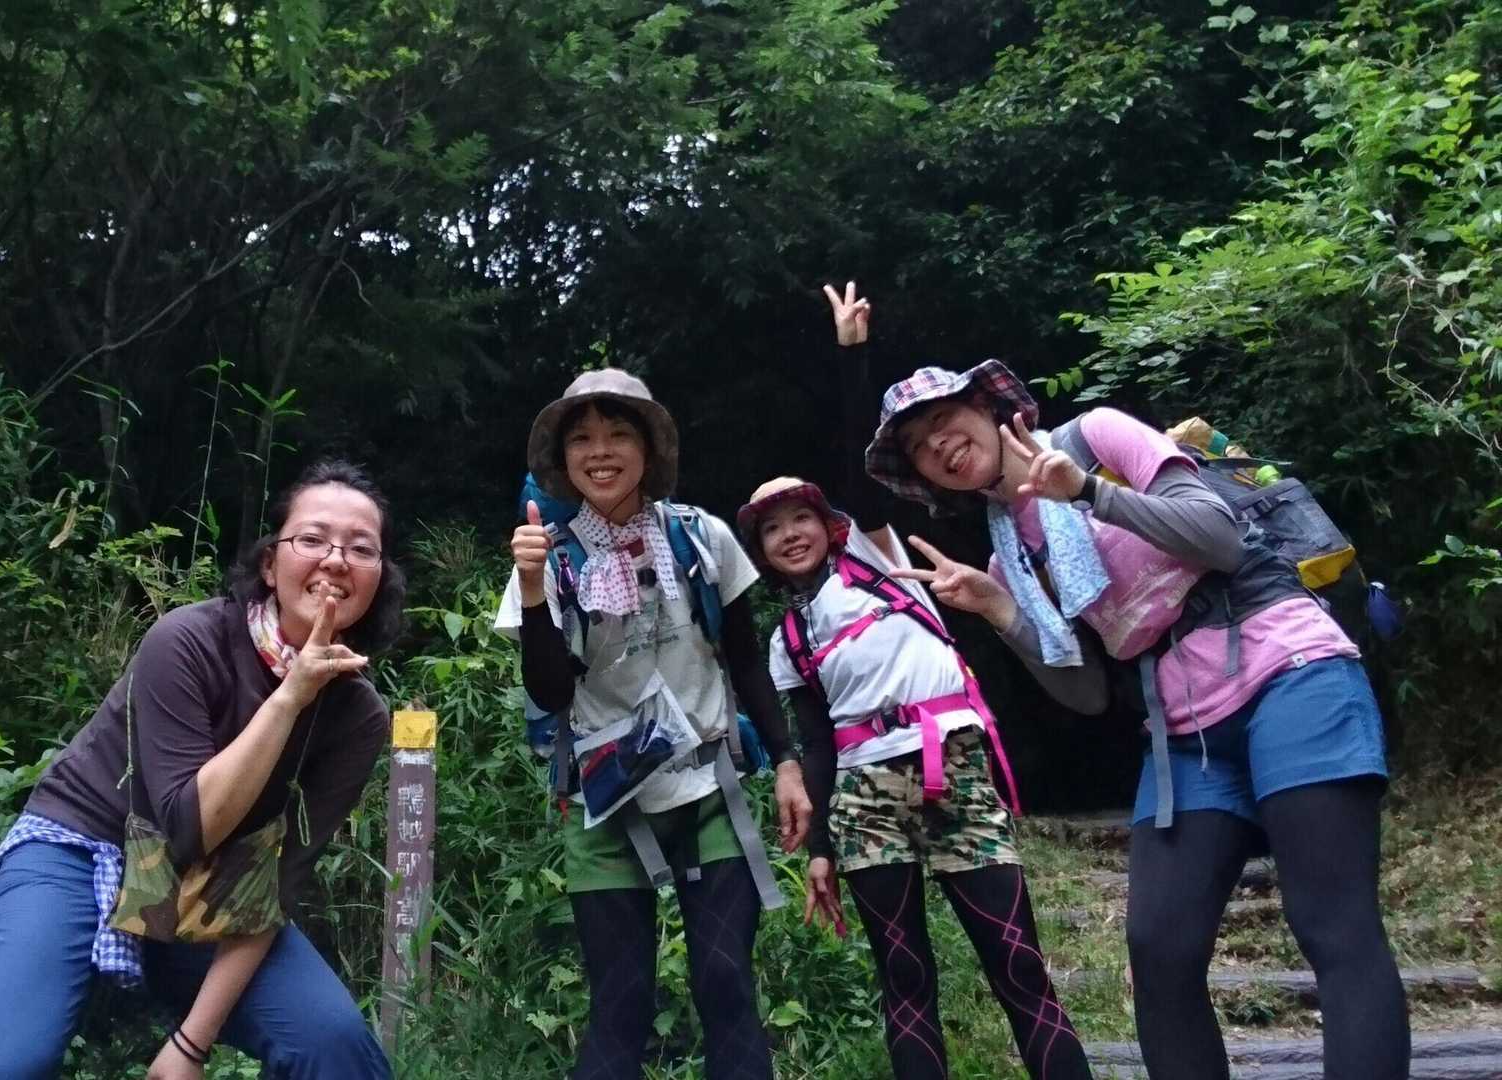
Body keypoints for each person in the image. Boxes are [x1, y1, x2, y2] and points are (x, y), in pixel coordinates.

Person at [850, 327, 1408, 1079]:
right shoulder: (1008, 557)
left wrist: (1088, 492)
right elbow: (1085, 691)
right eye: (918, 447)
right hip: (1183, 729)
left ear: (987, 407)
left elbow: (1220, 538)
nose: (938, 445)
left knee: (1331, 924)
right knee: (1160, 949)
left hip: (1290, 668)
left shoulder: (1096, 437)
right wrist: (1002, 613)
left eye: (944, 419)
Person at [0, 460, 403, 1080]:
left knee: (335, 1046)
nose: (336, 561)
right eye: (312, 539)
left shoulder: (359, 716)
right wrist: (291, 695)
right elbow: (186, 826)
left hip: (210, 888)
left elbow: (276, 884)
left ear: (378, 578)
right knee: (9, 1064)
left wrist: (189, 1046)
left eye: (361, 549)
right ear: (269, 563)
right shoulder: (188, 640)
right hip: (79, 849)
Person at [496, 368, 810, 1080]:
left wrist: (787, 761)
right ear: (562, 459)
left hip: (708, 789)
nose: (600, 452)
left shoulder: (700, 537)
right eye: (581, 439)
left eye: (618, 434)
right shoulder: (547, 558)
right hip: (606, 803)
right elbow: (548, 688)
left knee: (726, 984)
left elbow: (744, 658)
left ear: (649, 448)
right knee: (620, 1005)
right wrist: (535, 591)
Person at [738, 471, 1091, 1080]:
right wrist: (819, 850)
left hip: (954, 769)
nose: (790, 534)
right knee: (904, 977)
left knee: (1018, 964)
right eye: (771, 528)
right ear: (761, 551)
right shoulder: (787, 639)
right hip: (863, 796)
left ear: (830, 525)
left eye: (801, 518)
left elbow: (866, 477)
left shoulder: (880, 561)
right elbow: (817, 745)